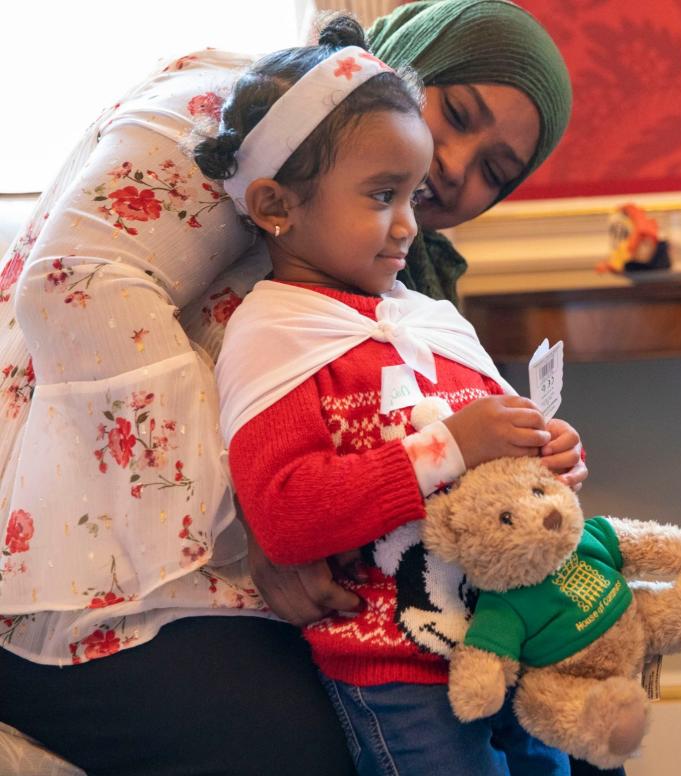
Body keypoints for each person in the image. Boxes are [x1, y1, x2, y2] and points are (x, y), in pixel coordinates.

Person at [0, 2, 581, 774]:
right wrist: (260, 514)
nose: (455, 165)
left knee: (567, 706)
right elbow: (72, 289)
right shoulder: (227, 115)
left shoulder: (394, 271)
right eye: (458, 111)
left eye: (494, 172)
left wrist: (525, 458)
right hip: (84, 572)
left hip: (302, 571)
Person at [198, 18, 575, 774]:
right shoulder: (277, 325)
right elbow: (289, 503)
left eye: (497, 171)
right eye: (457, 116)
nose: (439, 183)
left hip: (496, 634)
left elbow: (496, 436)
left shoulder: (424, 310)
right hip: (393, 656)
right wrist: (455, 446)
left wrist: (546, 455)